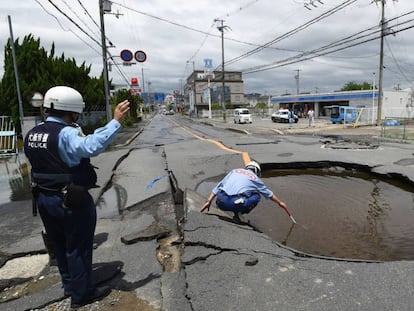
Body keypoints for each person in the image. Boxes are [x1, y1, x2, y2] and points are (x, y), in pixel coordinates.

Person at [24, 86, 130, 308]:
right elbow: (91, 146)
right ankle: (82, 295)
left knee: (60, 245)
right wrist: (116, 122)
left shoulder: (34, 133)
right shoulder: (66, 133)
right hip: (70, 199)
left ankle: (70, 285)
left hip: (44, 198)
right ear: (72, 110)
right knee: (78, 247)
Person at [200, 161, 288, 220]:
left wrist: (208, 201)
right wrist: (280, 203)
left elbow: (219, 186)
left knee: (232, 190)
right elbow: (269, 194)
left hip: (220, 202)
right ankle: (239, 211)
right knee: (256, 195)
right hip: (233, 204)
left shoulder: (234, 171)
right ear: (257, 171)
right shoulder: (255, 178)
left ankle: (236, 209)